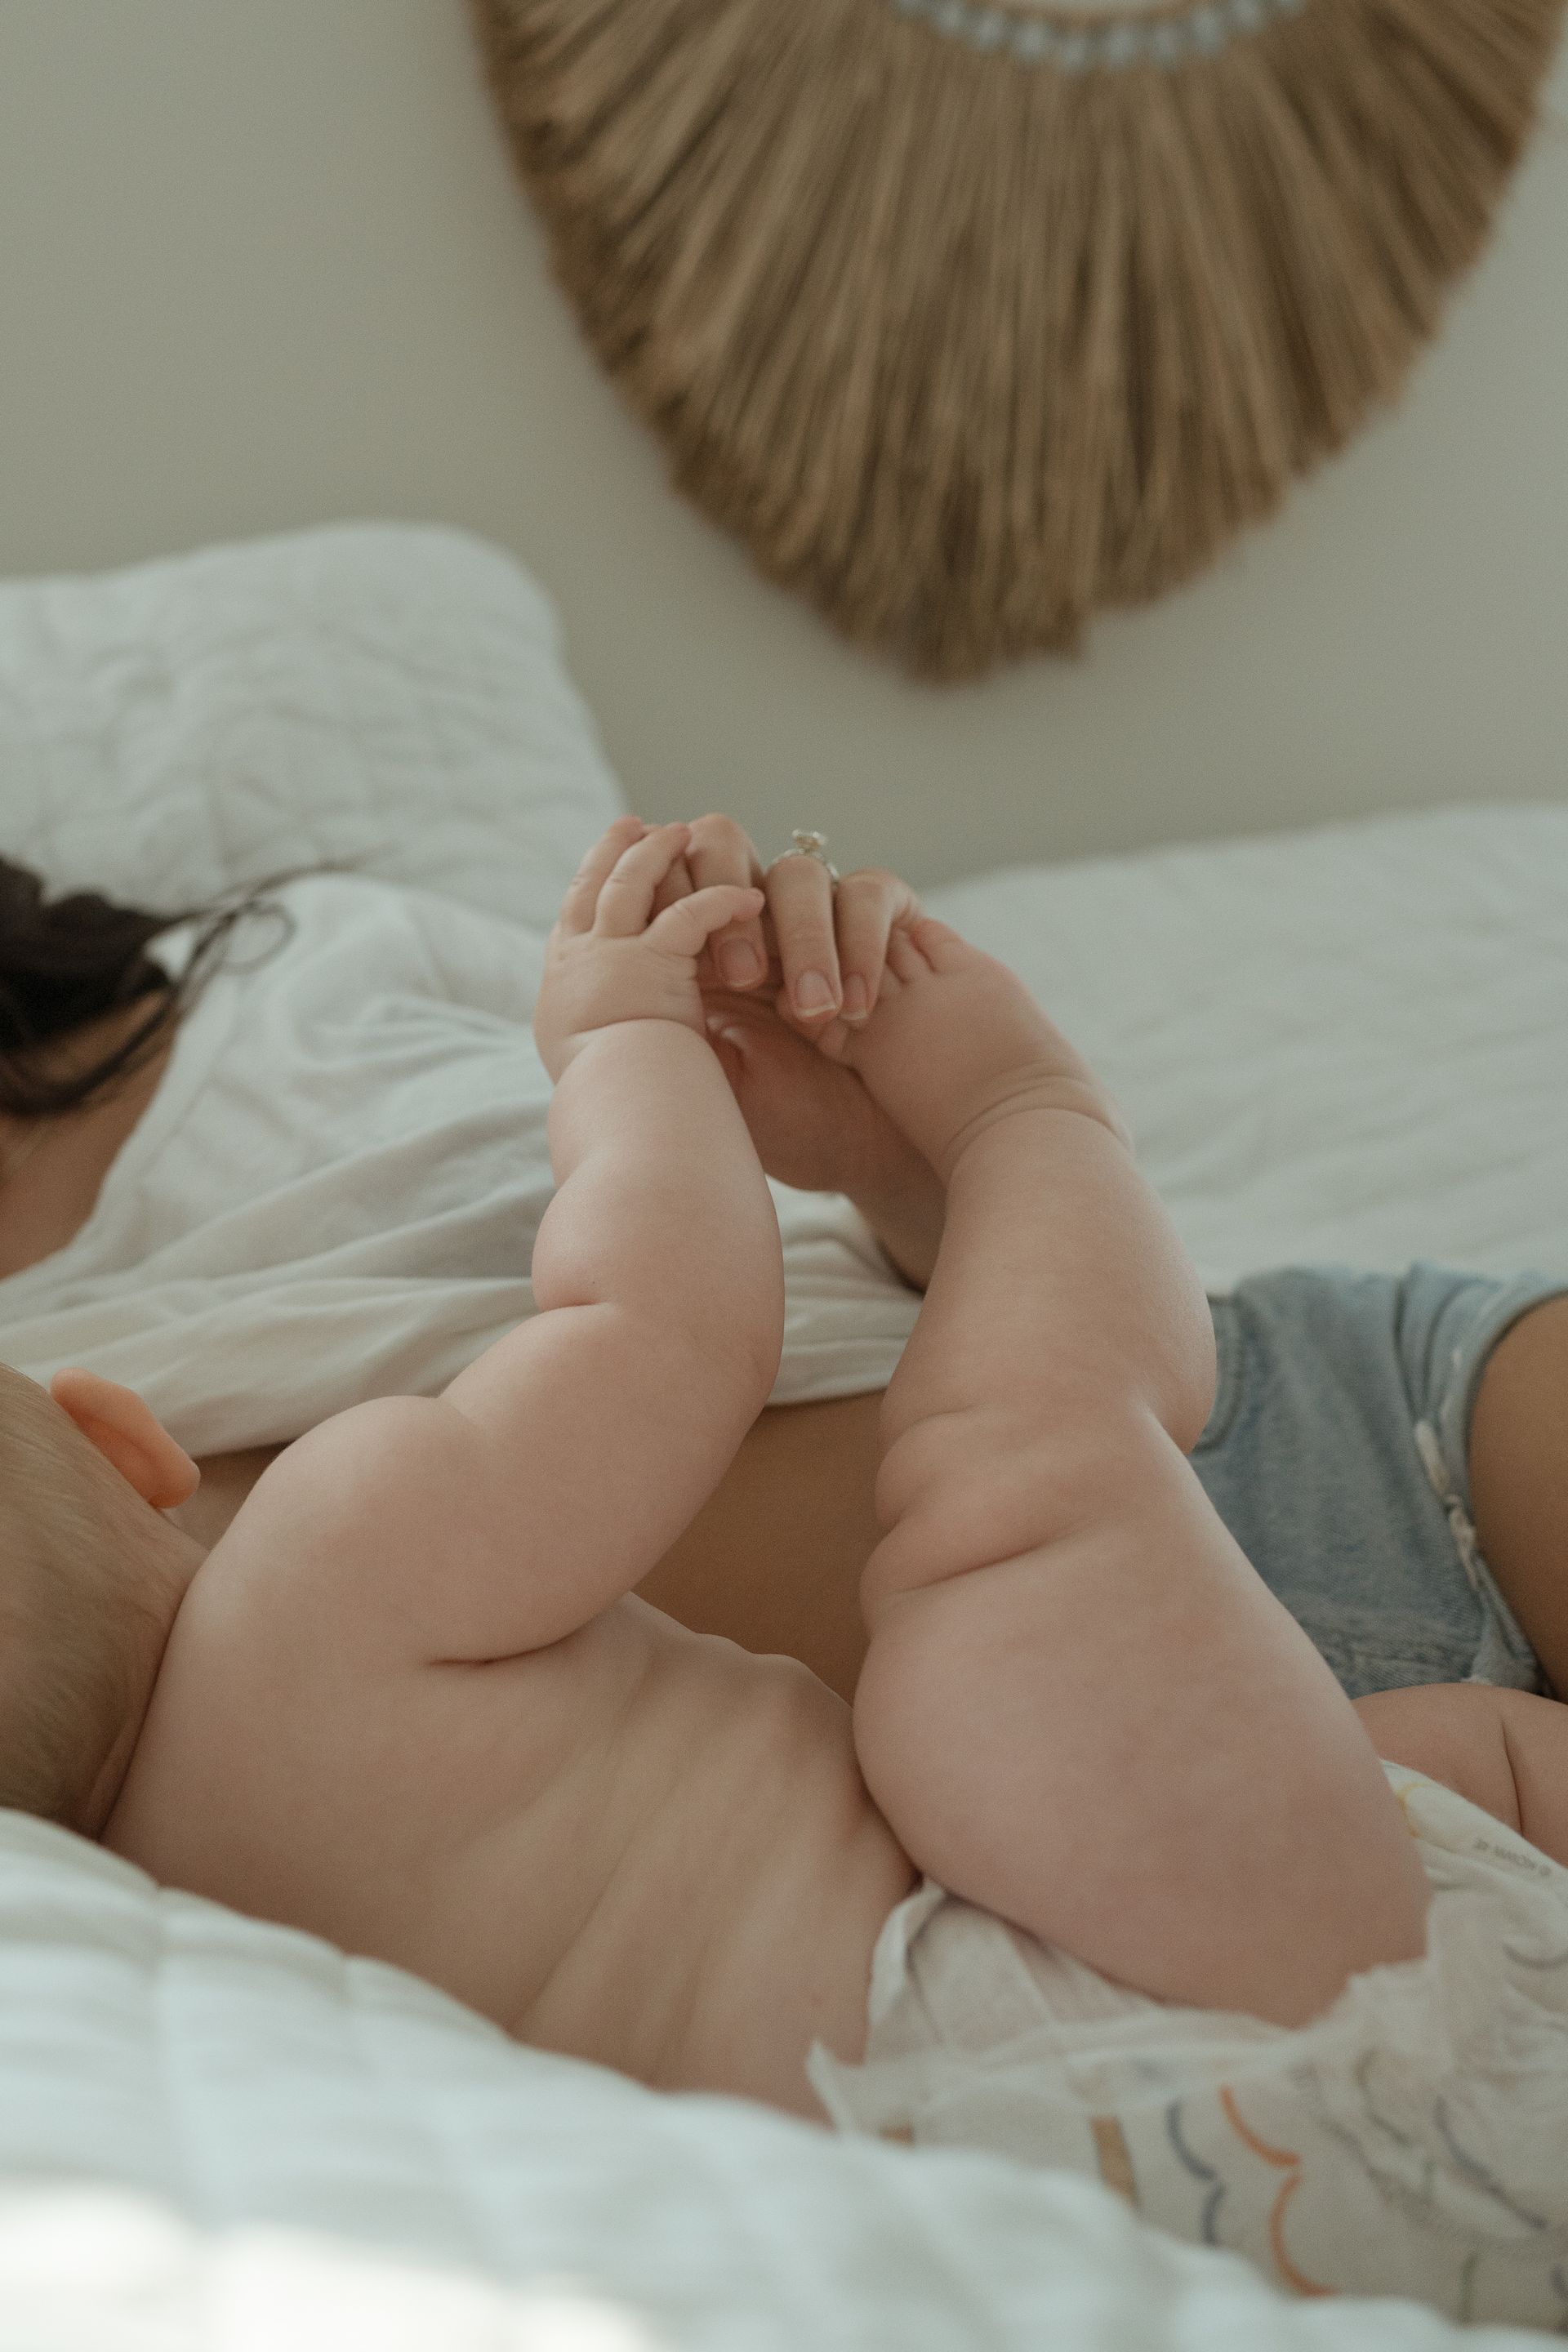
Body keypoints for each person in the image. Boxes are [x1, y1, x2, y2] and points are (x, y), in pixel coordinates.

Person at [2, 813, 1566, 2319]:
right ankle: (1039, 1122)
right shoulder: (320, 1559)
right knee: (1013, 1466)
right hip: (1068, 1900)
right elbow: (669, 1323)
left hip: (1045, 2151)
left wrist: (872, 1153)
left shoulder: (168, 1921)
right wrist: (621, 1055)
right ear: (138, 1447)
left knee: (1461, 1796)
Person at [2, 825, 1566, 1723]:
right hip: (1068, 1785)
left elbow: (779, 1266)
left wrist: (901, 1146)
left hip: (1313, 1423)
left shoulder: (311, 956)